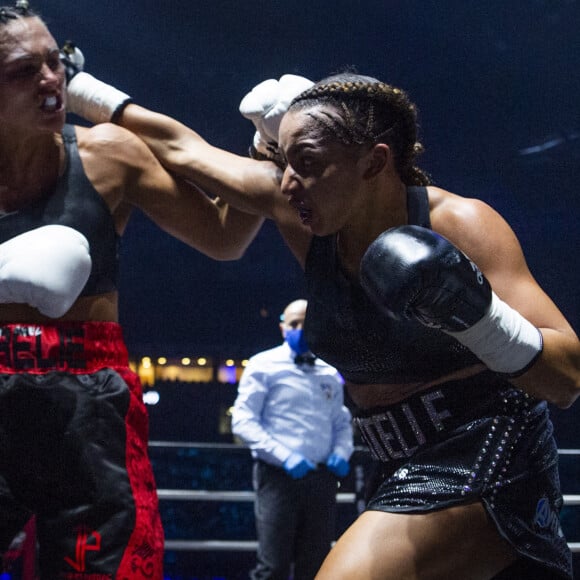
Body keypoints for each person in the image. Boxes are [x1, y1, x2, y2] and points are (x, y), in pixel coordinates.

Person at [65, 57, 580, 578]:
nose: (287, 183)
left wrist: (478, 314)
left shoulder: (457, 223)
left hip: (487, 447)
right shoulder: (303, 215)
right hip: (389, 461)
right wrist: (77, 87)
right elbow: (183, 148)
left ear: (375, 162)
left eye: (306, 162)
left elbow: (566, 375)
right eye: (283, 161)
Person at [0, 3, 264, 578]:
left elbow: (223, 237)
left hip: (86, 398)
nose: (51, 80)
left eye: (56, 61)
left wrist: (264, 154)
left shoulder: (106, 155)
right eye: (24, 71)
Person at [231, 298, 354, 580]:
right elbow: (243, 420)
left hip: (322, 477)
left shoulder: (329, 371)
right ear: (282, 327)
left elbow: (341, 422)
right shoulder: (263, 364)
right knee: (273, 566)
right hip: (277, 477)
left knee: (316, 566)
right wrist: (284, 456)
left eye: (306, 322)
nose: (300, 328)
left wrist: (342, 452)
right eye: (294, 323)